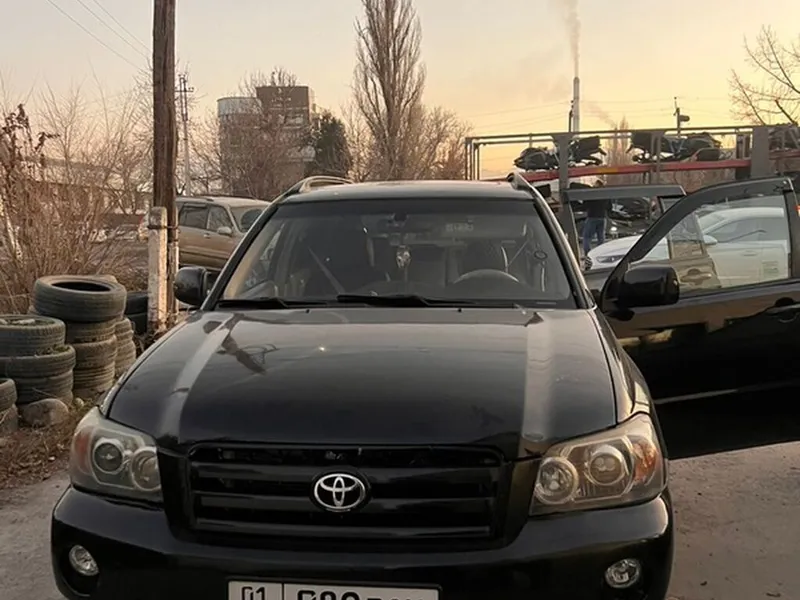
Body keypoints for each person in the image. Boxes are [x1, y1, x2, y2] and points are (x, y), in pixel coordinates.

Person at [581, 179, 610, 255]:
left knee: (587, 237)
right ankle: (600, 253)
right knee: (601, 237)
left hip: (592, 216)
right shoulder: (605, 194)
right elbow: (609, 207)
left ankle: (587, 253)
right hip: (602, 217)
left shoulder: (591, 193)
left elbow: (585, 205)